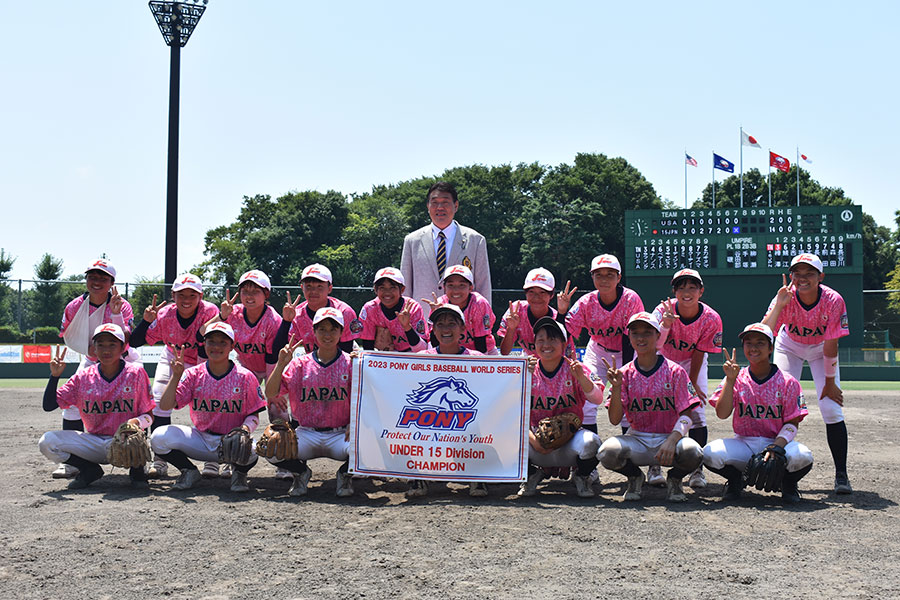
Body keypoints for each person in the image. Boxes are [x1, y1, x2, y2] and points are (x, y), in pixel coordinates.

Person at [760, 253, 851, 494]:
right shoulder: (785, 296)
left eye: (809, 273)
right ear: (791, 276)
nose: (802, 278)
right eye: (797, 273)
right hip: (789, 345)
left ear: (821, 276)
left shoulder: (833, 300)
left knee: (831, 408)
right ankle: (776, 467)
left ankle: (841, 475)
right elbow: (765, 333)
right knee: (779, 406)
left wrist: (830, 383)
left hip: (822, 349)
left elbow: (832, 344)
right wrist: (780, 304)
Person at [597, 312, 703, 502]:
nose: (641, 337)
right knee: (607, 452)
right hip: (638, 438)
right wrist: (617, 386)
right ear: (629, 338)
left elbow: (687, 415)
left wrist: (672, 439)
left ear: (658, 336)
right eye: (635, 333)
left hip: (669, 439)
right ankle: (635, 476)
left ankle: (675, 479)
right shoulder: (624, 373)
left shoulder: (675, 371)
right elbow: (614, 420)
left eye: (647, 332)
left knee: (694, 452)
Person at [150, 322, 266, 493]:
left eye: (223, 342)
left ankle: (239, 473)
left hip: (232, 441)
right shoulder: (193, 374)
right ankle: (189, 471)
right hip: (200, 440)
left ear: (232, 346)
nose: (216, 346)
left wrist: (244, 429)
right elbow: (166, 405)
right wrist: (175, 376)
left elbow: (254, 415)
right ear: (204, 344)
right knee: (158, 437)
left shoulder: (245, 376)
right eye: (211, 341)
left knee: (256, 449)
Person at [704, 323, 814, 504]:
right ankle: (736, 481)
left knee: (803, 456)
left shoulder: (788, 382)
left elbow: (792, 422)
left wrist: (777, 447)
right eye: (748, 343)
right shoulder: (735, 377)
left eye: (760, 343)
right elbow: (722, 414)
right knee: (710, 454)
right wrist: (730, 381)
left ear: (771, 348)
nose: (753, 347)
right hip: (744, 443)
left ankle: (788, 483)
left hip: (777, 443)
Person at [200, 269, 292, 480]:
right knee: (233, 407)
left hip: (272, 365)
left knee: (277, 408)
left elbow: (272, 357)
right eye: (245, 291)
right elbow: (204, 333)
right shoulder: (233, 313)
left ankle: (285, 460)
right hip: (245, 364)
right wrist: (222, 316)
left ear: (266, 294)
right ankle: (227, 456)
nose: (249, 296)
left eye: (255, 291)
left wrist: (272, 390)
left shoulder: (272, 319)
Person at [39, 324, 154, 489]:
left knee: (135, 438)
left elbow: (149, 415)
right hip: (94, 443)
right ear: (93, 349)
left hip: (125, 441)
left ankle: (137, 471)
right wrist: (54, 376)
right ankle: (89, 470)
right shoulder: (83, 377)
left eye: (112, 344)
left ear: (122, 347)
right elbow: (49, 405)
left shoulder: (135, 373)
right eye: (100, 344)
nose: (106, 349)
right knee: (47, 442)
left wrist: (136, 423)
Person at [53, 258, 139, 479]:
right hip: (92, 359)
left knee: (135, 406)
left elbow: (127, 340)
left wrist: (118, 313)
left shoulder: (122, 305)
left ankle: (137, 460)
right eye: (92, 277)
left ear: (112, 282)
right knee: (71, 405)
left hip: (124, 362)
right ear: (86, 280)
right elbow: (66, 334)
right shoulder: (75, 306)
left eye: (103, 278)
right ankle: (74, 462)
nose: (97, 281)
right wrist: (89, 350)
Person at [129, 273, 219, 479]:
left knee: (209, 403)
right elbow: (135, 342)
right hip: (172, 355)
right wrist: (145, 321)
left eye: (192, 295)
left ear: (201, 296)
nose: (186, 300)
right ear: (173, 295)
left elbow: (207, 348)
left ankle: (212, 460)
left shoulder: (210, 311)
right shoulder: (164, 315)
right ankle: (160, 460)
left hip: (200, 358)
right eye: (181, 295)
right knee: (160, 401)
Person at [265, 307, 355, 498]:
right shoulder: (299, 365)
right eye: (322, 329)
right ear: (313, 332)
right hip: (306, 433)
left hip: (340, 434)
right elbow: (271, 392)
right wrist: (281, 363)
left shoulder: (351, 363)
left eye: (333, 329)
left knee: (370, 446)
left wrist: (354, 423)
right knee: (269, 446)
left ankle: (344, 475)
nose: (327, 334)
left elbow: (366, 398)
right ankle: (300, 472)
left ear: (341, 332)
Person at [651, 268, 723, 490]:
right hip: (662, 360)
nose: (687, 292)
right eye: (681, 287)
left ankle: (696, 468)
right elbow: (655, 345)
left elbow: (700, 352)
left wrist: (689, 386)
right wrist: (665, 326)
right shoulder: (663, 310)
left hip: (693, 363)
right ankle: (654, 467)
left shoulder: (711, 318)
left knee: (696, 412)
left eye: (692, 287)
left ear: (701, 291)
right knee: (659, 410)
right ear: (674, 291)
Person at [518, 317, 603, 498]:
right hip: (537, 442)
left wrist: (581, 378)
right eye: (540, 340)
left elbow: (597, 399)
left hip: (570, 443)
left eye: (552, 339)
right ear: (534, 344)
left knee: (592, 443)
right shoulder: (527, 369)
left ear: (564, 344)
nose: (546, 344)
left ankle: (581, 475)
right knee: (507, 438)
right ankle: (532, 474)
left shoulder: (576, 368)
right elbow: (512, 412)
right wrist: (535, 442)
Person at [407, 304, 484, 498]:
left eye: (452, 324)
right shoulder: (422, 359)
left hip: (465, 427)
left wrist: (525, 369)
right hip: (432, 426)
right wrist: (361, 361)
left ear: (463, 329)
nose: (446, 329)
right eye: (440, 324)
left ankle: (477, 474)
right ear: (433, 330)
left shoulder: (477, 359)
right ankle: (417, 475)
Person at [565, 254, 644, 433]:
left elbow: (631, 338)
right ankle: (588, 452)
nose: (604, 279)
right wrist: (562, 311)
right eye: (599, 274)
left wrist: (625, 372)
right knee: (587, 399)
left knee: (626, 398)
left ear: (619, 277)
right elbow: (565, 331)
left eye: (610, 274)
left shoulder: (631, 299)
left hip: (627, 352)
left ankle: (630, 452)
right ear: (592, 277)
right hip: (597, 352)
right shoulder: (586, 302)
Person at [400, 181, 492, 316]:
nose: (440, 207)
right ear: (428, 206)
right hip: (421, 323)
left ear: (456, 206)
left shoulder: (476, 240)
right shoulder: (412, 241)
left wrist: (485, 320)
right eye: (435, 202)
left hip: (464, 324)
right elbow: (405, 288)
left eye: (445, 202)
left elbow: (483, 286)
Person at [498, 268, 577, 358]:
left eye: (542, 292)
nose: (536, 297)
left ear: (551, 295)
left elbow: (568, 356)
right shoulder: (516, 310)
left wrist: (562, 313)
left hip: (552, 366)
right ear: (525, 293)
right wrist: (511, 329)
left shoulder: (558, 319)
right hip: (529, 360)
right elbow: (504, 352)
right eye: (531, 292)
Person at [286, 264, 361, 354]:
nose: (313, 291)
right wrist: (285, 321)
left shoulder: (344, 312)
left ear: (329, 288)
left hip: (341, 361)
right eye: (308, 286)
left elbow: (346, 352)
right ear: (302, 288)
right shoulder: (297, 314)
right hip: (312, 363)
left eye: (319, 286)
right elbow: (281, 350)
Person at [423, 264, 497, 354]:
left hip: (483, 352)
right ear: (444, 288)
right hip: (450, 352)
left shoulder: (479, 303)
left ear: (470, 288)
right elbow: (434, 341)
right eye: (450, 285)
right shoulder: (439, 304)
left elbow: (481, 342)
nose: (456, 290)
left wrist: (477, 364)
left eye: (461, 285)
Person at [358, 267, 429, 352]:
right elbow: (367, 348)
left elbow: (422, 349)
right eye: (382, 288)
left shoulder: (412, 308)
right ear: (375, 290)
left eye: (392, 287)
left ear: (402, 289)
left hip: (410, 355)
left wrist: (407, 327)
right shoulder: (369, 309)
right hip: (382, 355)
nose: (387, 292)